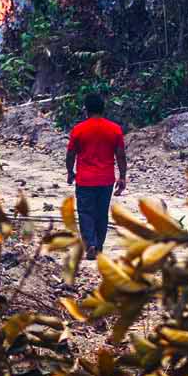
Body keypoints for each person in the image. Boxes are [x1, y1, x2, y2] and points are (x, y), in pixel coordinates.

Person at [65, 91, 126, 259]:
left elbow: (70, 155)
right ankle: (98, 246)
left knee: (85, 213)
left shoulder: (78, 130)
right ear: (103, 108)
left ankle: (90, 243)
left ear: (86, 110)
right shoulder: (115, 129)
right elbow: (120, 155)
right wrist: (122, 176)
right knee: (101, 213)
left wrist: (70, 172)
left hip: (85, 180)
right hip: (106, 179)